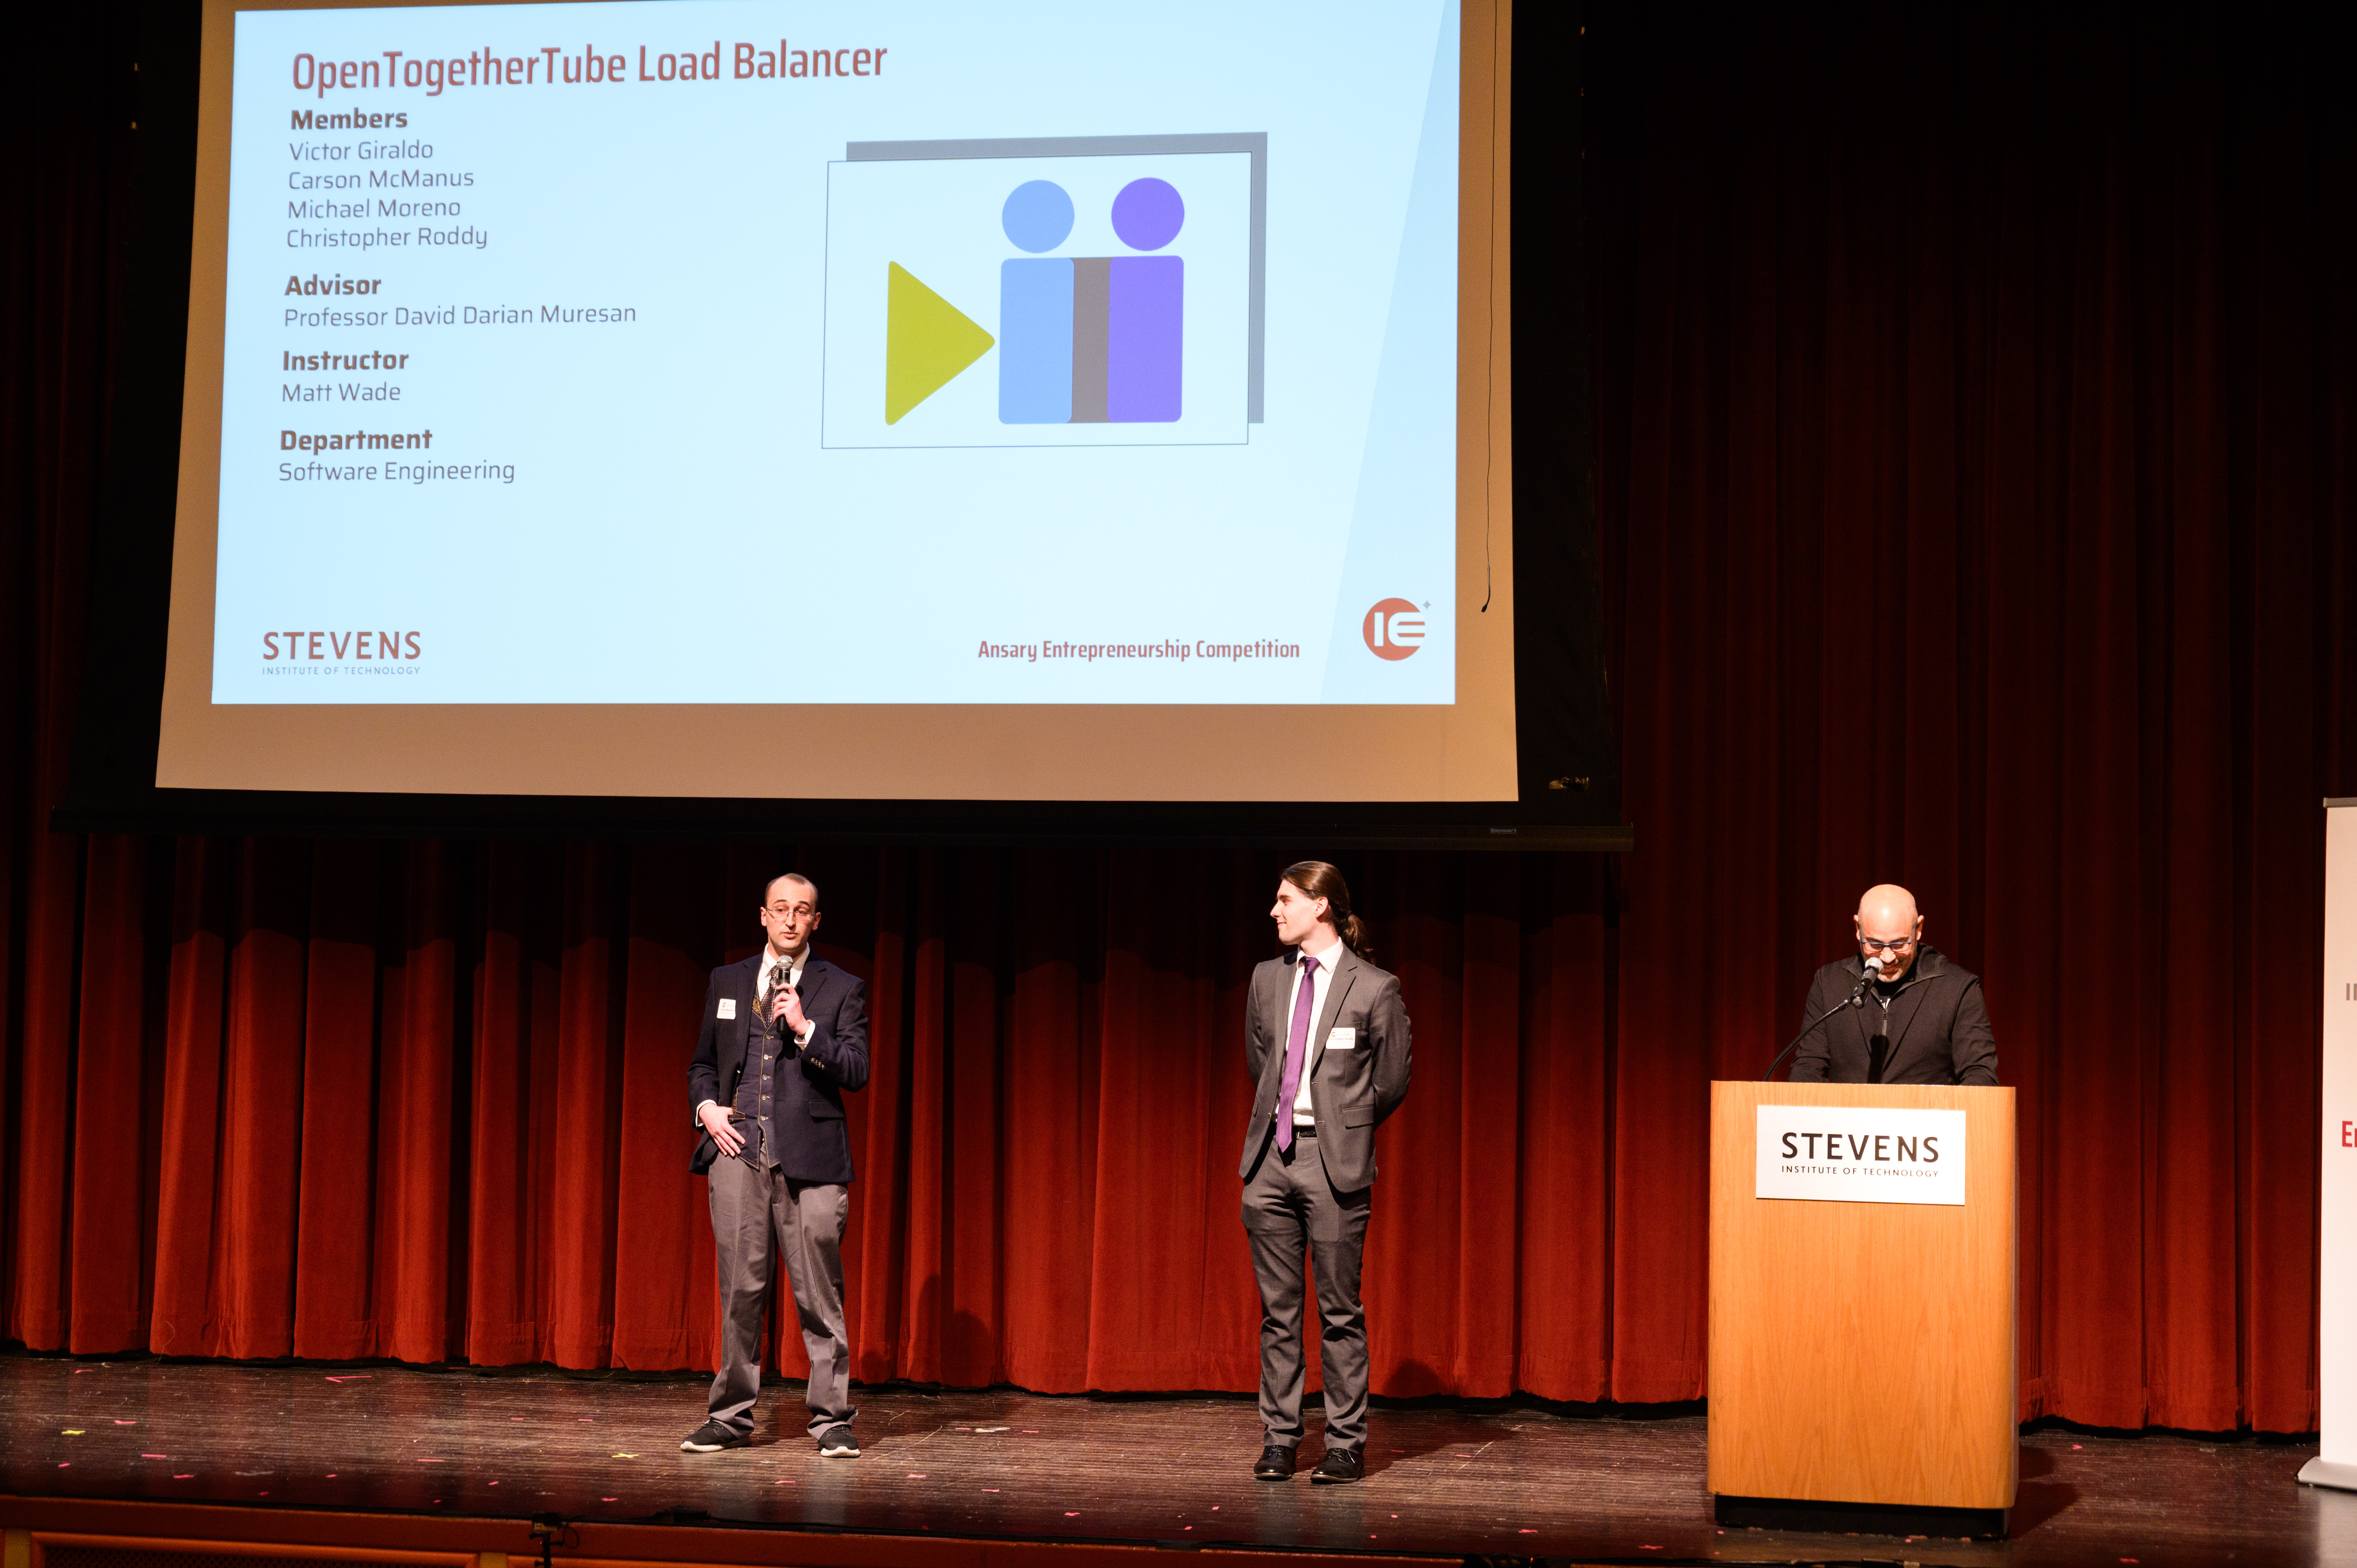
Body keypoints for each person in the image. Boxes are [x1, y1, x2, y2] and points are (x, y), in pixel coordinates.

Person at [681, 872, 870, 1456]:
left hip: (810, 1158)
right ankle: (730, 1416)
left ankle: (832, 1419)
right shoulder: (728, 980)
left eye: (803, 911)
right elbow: (702, 1066)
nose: (790, 920)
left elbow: (856, 1069)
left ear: (817, 921)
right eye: (781, 909)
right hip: (738, 1151)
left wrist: (806, 1029)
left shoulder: (841, 989)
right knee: (741, 1290)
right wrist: (707, 1109)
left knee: (819, 1293)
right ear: (763, 916)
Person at [1239, 862, 1412, 1485]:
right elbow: (1262, 1061)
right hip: (1270, 1163)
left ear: (1321, 906)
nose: (1274, 911)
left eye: (1285, 900)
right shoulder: (1267, 979)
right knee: (1277, 1313)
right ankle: (1281, 1440)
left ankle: (1344, 1444)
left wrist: (1345, 1127)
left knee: (1339, 1311)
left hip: (1333, 1164)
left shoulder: (1374, 988)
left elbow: (1390, 1080)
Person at [1790, 883, 1997, 1085]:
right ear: (1857, 929)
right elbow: (1807, 1069)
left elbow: (1980, 1075)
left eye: (1899, 944)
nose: (1887, 958)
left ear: (1918, 929)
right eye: (1875, 944)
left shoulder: (1958, 988)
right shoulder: (1829, 983)